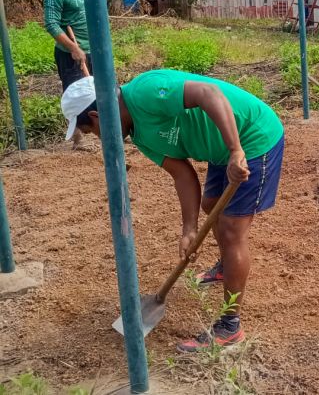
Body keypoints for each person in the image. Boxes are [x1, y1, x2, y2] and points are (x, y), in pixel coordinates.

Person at [60, 70, 284, 352]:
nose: (98, 138)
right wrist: (189, 229)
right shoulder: (140, 136)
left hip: (250, 137)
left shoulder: (145, 92)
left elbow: (208, 94)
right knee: (210, 204)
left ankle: (230, 326)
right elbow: (182, 174)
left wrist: (235, 150)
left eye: (92, 132)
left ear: (95, 116)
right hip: (220, 150)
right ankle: (226, 266)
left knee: (230, 230)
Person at [43, 0, 93, 150]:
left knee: (104, 88)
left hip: (93, 49)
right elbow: (51, 24)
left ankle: (113, 128)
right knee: (75, 93)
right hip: (70, 52)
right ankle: (78, 139)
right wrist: (73, 47)